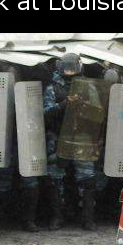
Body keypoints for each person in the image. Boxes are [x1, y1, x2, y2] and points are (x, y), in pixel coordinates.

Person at [43, 53, 99, 231]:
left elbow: (98, 112)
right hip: (59, 136)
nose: (69, 72)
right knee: (55, 177)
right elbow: (46, 113)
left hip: (82, 136)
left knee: (87, 179)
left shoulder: (87, 87)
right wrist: (64, 104)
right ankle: (57, 217)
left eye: (72, 68)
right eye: (66, 69)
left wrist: (84, 107)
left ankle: (87, 219)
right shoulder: (53, 88)